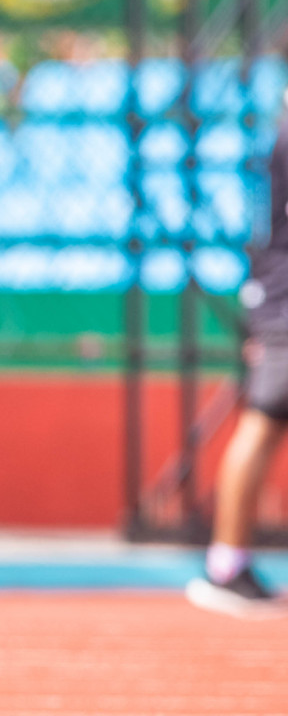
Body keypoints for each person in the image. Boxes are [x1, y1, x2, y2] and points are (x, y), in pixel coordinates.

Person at [186, 113, 288, 616]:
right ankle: (225, 565)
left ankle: (227, 563)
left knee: (264, 424)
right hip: (285, 305)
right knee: (264, 423)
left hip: (276, 304)